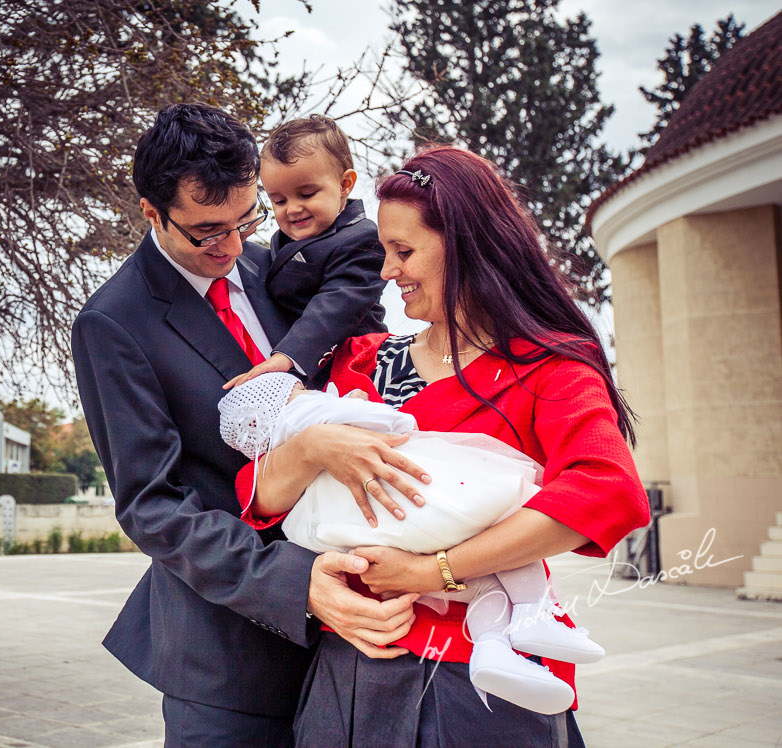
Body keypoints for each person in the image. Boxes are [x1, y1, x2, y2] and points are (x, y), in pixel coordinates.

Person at [235, 145, 651, 747]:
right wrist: (314, 447)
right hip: (348, 672)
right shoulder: (363, 362)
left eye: (404, 251)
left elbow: (606, 490)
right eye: (383, 251)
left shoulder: (550, 368)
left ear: (468, 246)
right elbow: (263, 498)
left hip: (480, 685)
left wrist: (432, 570)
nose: (386, 271)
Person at [71, 104, 430, 748]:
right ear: (153, 211)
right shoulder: (113, 322)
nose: (233, 249)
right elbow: (153, 508)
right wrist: (297, 586)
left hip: (345, 643)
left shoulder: (274, 266)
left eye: (245, 220)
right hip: (226, 662)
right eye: (208, 232)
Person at [219, 372, 606, 715]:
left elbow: (255, 492)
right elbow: (382, 423)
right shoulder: (315, 407)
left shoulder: (276, 444)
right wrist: (373, 412)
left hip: (350, 531)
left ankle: (494, 647)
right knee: (509, 514)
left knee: (486, 578)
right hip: (403, 502)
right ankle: (531, 613)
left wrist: (428, 571)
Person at [233, 115, 388, 386]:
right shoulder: (281, 240)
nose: (292, 209)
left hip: (357, 366)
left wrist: (289, 356)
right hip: (309, 371)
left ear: (344, 184)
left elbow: (335, 306)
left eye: (306, 194)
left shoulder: (361, 239)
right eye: (279, 200)